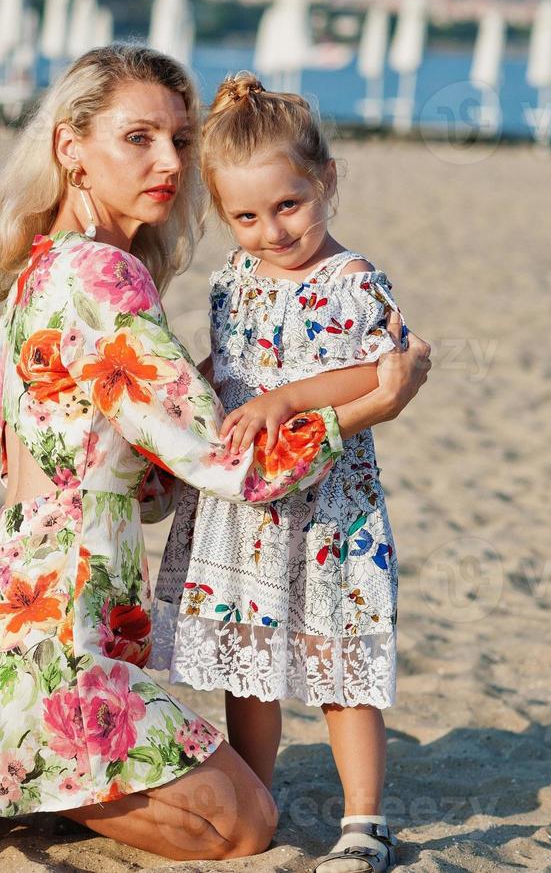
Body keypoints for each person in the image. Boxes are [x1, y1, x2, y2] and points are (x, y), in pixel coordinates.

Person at [0, 45, 432, 873]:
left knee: (228, 803)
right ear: (70, 149)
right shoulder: (103, 280)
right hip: (49, 641)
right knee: (244, 828)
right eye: (137, 138)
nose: (168, 162)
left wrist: (203, 389)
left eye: (180, 139)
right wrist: (369, 407)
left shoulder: (41, 273)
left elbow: (141, 481)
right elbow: (240, 473)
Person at [151, 70, 409, 873]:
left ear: (325, 180)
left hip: (328, 507)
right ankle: (255, 794)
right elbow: (228, 367)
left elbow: (374, 370)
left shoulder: (349, 279)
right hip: (243, 508)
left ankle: (363, 819)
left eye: (288, 206)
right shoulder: (232, 280)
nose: (271, 232)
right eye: (246, 216)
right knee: (248, 660)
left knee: (338, 663)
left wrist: (286, 398)